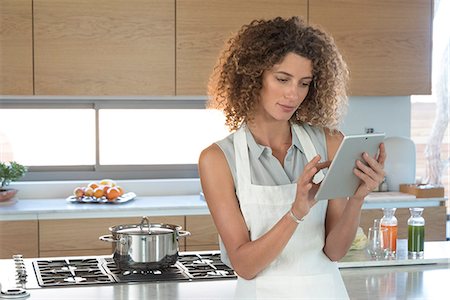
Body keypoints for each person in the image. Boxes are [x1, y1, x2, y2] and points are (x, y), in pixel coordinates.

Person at [198, 16, 386, 299]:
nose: (292, 94)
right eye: (282, 79)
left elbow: (334, 251)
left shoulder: (330, 143)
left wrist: (357, 198)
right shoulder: (218, 160)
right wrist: (296, 212)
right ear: (253, 75)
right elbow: (245, 265)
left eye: (304, 83)